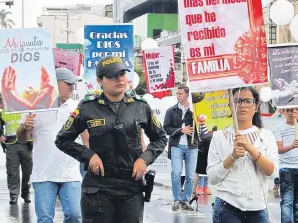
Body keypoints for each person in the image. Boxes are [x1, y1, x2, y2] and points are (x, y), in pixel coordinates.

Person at [55, 56, 167, 223]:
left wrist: (144, 159)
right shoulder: (87, 108)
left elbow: (160, 138)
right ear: (100, 80)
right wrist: (88, 155)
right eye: (113, 75)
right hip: (98, 187)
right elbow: (62, 140)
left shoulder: (140, 107)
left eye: (122, 73)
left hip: (131, 187)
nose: (119, 78)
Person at [17, 68, 82, 223]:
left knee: (74, 216)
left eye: (73, 83)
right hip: (44, 173)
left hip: (70, 172)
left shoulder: (77, 107)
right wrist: (25, 127)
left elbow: (86, 137)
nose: (72, 87)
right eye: (69, 83)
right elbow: (22, 139)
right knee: (45, 219)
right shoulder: (34, 107)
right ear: (56, 84)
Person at [207, 87, 278, 223]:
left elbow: (273, 172)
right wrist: (232, 157)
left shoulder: (266, 136)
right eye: (237, 101)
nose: (242, 105)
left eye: (248, 101)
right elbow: (212, 178)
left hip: (258, 208)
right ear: (230, 105)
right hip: (227, 206)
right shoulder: (219, 137)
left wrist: (250, 149)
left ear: (256, 106)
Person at [274, 107, 298, 223]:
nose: (291, 113)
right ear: (283, 112)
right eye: (288, 111)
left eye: (294, 110)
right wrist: (290, 146)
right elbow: (278, 149)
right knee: (287, 200)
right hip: (286, 169)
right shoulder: (279, 129)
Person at [164, 85, 198, 211]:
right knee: (176, 173)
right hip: (176, 145)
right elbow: (166, 128)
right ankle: (177, 200)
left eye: (180, 93)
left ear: (187, 95)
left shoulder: (195, 110)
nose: (178, 96)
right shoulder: (171, 111)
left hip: (192, 146)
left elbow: (201, 129)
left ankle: (186, 200)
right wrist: (181, 130)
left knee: (190, 175)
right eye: (177, 93)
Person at [0, 105, 33, 204]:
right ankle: (13, 194)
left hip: (26, 144)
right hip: (11, 143)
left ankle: (26, 193)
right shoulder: (3, 111)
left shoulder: (27, 108)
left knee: (28, 171)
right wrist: (0, 135)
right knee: (12, 171)